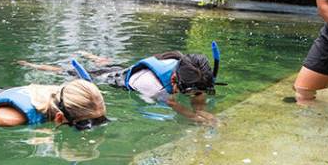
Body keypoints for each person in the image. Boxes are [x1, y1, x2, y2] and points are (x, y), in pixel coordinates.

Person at [19, 50, 218, 125]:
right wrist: (193, 116)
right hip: (114, 81)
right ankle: (31, 65)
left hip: (126, 70)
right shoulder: (150, 84)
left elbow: (197, 93)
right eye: (188, 92)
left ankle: (92, 55)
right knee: (65, 72)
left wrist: (201, 110)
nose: (194, 95)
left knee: (109, 64)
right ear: (175, 79)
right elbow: (171, 103)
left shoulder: (189, 67)